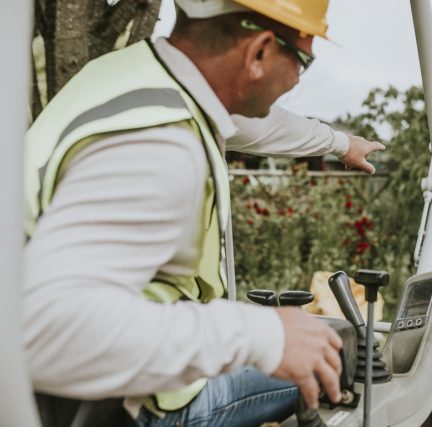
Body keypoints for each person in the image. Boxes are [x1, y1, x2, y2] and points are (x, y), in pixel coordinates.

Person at [23, 0, 383, 425]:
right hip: (120, 404)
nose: (299, 77)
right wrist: (263, 335)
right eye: (304, 59)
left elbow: (259, 126)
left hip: (86, 388)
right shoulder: (158, 142)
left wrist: (340, 144)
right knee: (333, 358)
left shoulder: (137, 80)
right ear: (260, 52)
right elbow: (48, 333)